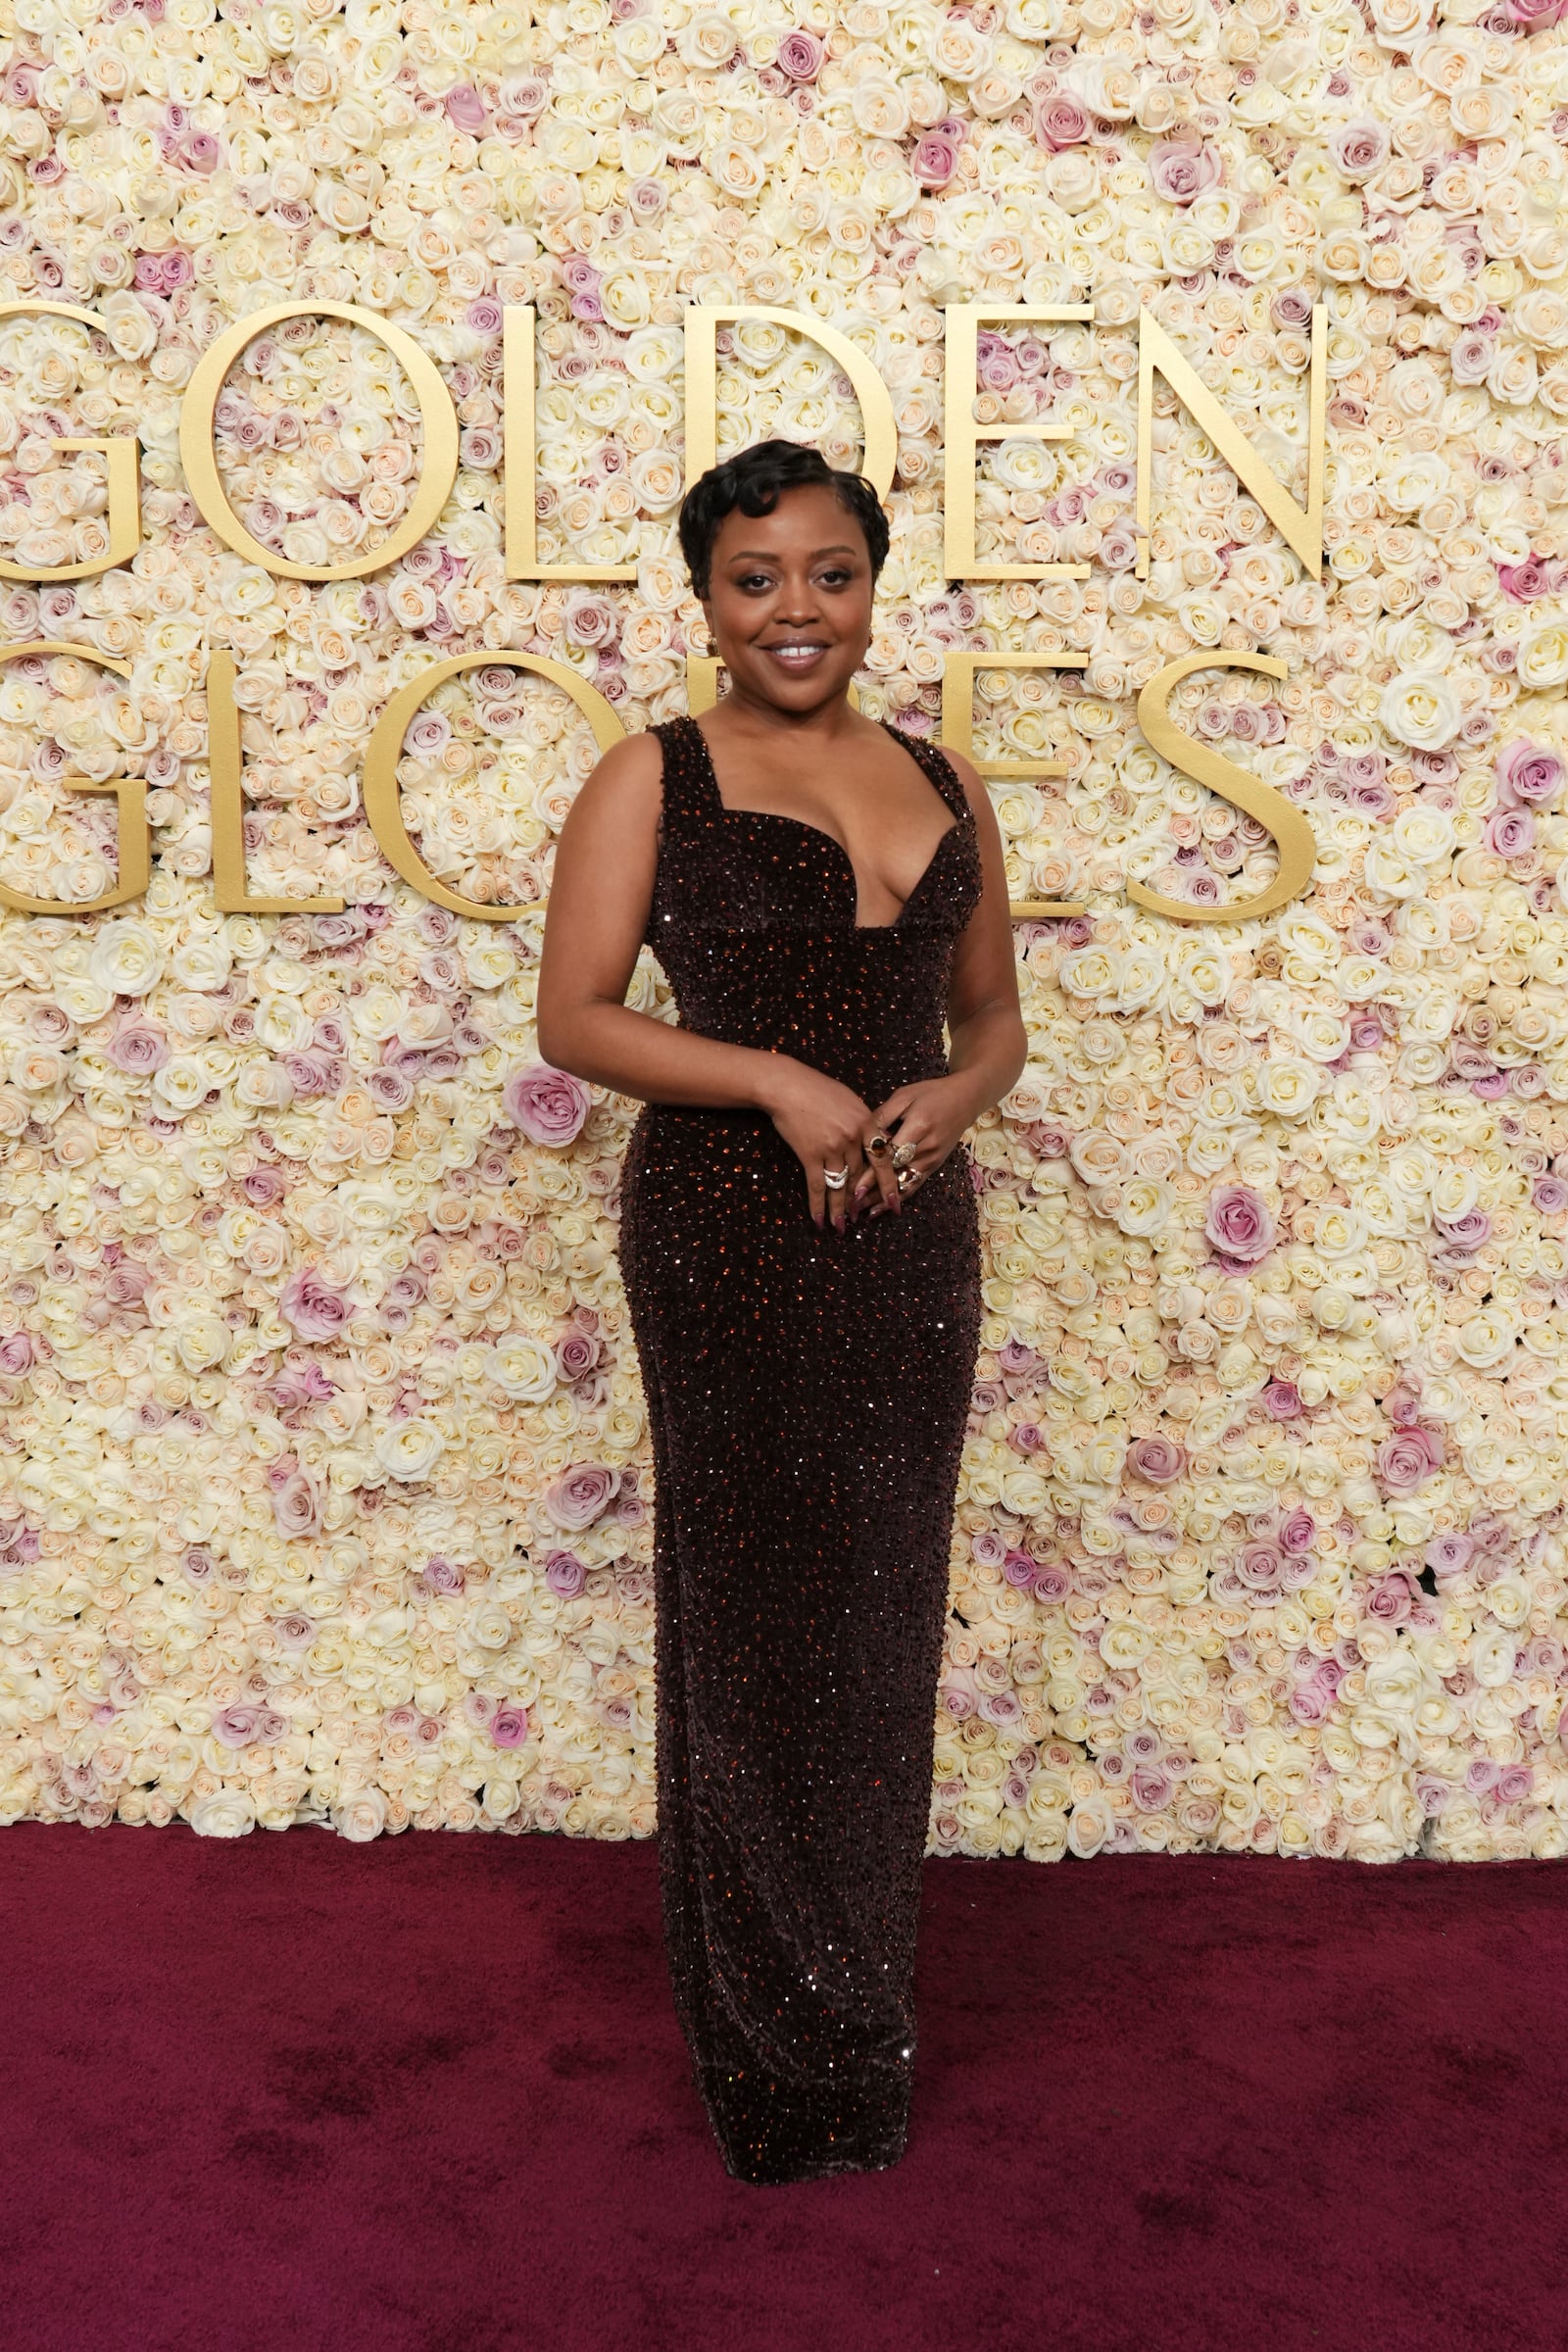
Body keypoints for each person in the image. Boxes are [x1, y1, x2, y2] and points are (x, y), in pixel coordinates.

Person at [537, 439, 1027, 2184]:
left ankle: (858, 2014)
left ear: (872, 585)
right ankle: (773, 2049)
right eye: (757, 581)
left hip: (910, 1240)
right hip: (728, 1235)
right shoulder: (650, 776)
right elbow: (577, 1020)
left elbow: (992, 1032)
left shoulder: (949, 782)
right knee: (751, 1628)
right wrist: (772, 1079)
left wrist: (944, 1108)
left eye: (829, 573)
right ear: (707, 601)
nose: (796, 611)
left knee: (879, 1630)